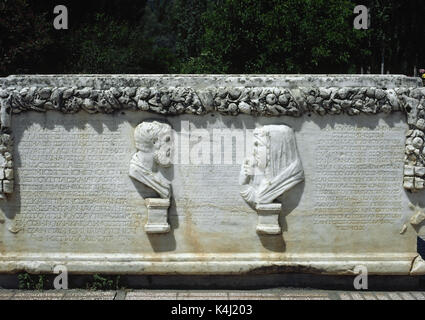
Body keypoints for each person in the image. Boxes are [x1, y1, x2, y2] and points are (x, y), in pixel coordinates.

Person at [239, 125, 304, 207]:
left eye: (257, 145)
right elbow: (259, 197)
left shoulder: (292, 176)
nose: (253, 152)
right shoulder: (265, 179)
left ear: (274, 147)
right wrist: (243, 184)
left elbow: (260, 198)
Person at [129, 121, 173, 199]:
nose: (172, 147)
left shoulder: (157, 177)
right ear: (154, 142)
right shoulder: (135, 171)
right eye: (167, 140)